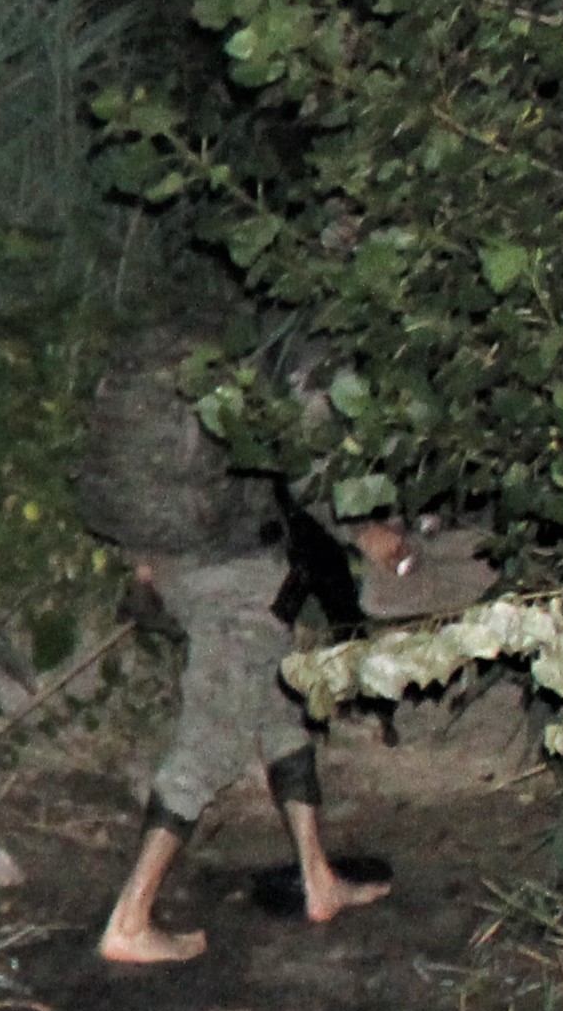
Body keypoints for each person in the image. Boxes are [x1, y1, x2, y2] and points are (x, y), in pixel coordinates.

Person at [79, 334, 403, 967]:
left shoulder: (220, 353)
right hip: (240, 575)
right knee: (212, 742)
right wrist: (366, 530)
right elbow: (313, 469)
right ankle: (131, 919)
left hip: (172, 562)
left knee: (276, 711)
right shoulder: (294, 353)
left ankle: (318, 880)